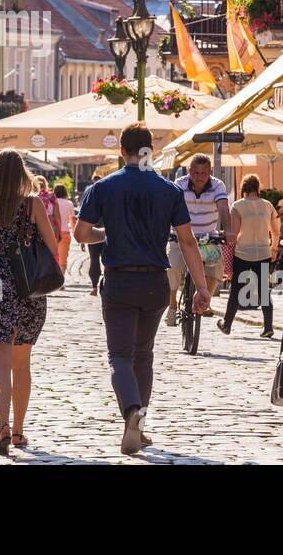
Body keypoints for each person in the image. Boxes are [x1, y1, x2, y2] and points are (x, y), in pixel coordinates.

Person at [73, 122, 210, 455]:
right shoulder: (169, 190)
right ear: (149, 151)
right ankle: (138, 426)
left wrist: (106, 235)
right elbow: (188, 242)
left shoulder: (103, 188)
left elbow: (80, 233)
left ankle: (131, 412)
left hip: (120, 280)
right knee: (144, 355)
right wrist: (202, 288)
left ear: (122, 151)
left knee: (120, 355)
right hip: (155, 282)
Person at [0, 150, 60, 454]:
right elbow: (52, 244)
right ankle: (19, 431)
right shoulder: (32, 205)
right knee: (22, 363)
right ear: (22, 173)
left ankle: (3, 428)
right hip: (29, 286)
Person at [165, 154, 229, 327]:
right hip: (181, 236)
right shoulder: (179, 184)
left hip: (208, 237)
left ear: (210, 172)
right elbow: (169, 209)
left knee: (216, 267)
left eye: (203, 173)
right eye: (195, 172)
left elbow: (223, 208)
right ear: (189, 171)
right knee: (173, 266)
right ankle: (172, 304)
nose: (199, 177)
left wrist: (228, 229)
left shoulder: (218, 185)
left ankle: (203, 298)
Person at [221, 174, 280, 338]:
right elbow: (276, 231)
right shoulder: (267, 206)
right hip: (263, 252)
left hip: (243, 253)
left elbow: (234, 233)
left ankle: (227, 324)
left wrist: (228, 258)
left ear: (243, 189)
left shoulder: (238, 206)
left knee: (236, 290)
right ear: (257, 189)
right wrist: (273, 249)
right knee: (263, 290)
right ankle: (268, 327)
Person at [53, 184, 75, 271]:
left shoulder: (52, 202)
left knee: (53, 258)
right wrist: (75, 233)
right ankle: (61, 281)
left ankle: (53, 281)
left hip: (53, 232)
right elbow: (72, 220)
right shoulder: (69, 203)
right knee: (63, 260)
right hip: (65, 232)